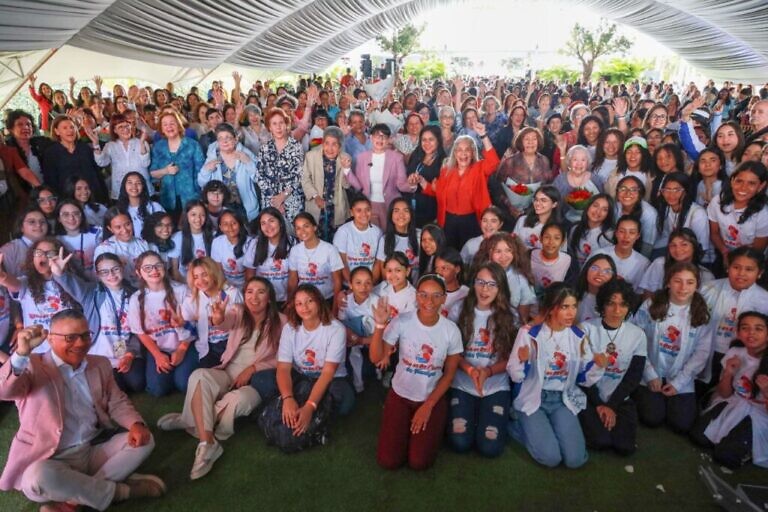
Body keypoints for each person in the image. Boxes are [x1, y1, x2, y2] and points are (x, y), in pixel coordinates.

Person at [0, 310, 165, 511]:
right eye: (70, 338)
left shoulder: (100, 363)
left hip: (92, 448)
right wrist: (21, 354)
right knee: (36, 478)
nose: (80, 343)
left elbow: (117, 401)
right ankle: (122, 492)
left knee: (146, 440)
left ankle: (73, 499)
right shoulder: (31, 365)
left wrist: (136, 424)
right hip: (49, 458)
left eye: (85, 335)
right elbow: (5, 390)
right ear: (50, 339)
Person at [158, 277, 284, 479]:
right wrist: (218, 318)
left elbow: (284, 359)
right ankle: (208, 443)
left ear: (269, 297)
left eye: (261, 291)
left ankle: (191, 420)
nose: (254, 296)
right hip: (228, 371)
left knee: (238, 401)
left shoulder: (281, 322)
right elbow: (225, 322)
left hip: (255, 381)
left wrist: (253, 368)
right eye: (250, 291)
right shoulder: (238, 310)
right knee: (199, 375)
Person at [507, 283, 607, 468]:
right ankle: (517, 425)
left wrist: (598, 366)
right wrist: (523, 360)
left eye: (574, 306)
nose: (571, 313)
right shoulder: (529, 333)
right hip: (534, 399)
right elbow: (515, 375)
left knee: (575, 460)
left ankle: (544, 430)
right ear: (552, 309)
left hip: (562, 399)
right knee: (551, 458)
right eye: (564, 307)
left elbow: (584, 379)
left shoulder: (578, 336)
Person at [371, 274, 463, 470]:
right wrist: (379, 325)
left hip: (431, 398)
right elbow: (376, 358)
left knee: (419, 462)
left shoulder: (451, 330)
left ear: (444, 298)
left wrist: (428, 405)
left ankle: (433, 427)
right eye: (423, 295)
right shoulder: (402, 321)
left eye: (436, 295)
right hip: (400, 394)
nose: (429, 302)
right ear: (416, 296)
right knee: (389, 460)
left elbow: (449, 375)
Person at [268, 284, 354, 448]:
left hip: (331, 379)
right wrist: (288, 398)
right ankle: (293, 407)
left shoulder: (336, 329)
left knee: (345, 403)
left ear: (320, 302)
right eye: (299, 303)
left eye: (309, 301)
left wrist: (309, 406)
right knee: (261, 380)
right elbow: (283, 368)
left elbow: (328, 373)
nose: (304, 307)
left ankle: (309, 411)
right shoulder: (290, 328)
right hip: (301, 375)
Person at [633, 262, 713, 434]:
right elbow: (635, 338)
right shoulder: (651, 303)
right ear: (668, 282)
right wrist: (649, 374)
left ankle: (673, 398)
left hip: (681, 376)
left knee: (681, 424)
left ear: (697, 285)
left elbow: (701, 353)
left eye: (690, 282)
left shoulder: (701, 311)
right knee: (652, 418)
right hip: (651, 372)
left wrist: (678, 383)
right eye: (678, 281)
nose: (683, 287)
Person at [448, 262, 515, 457]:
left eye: (492, 284)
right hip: (462, 383)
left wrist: (488, 371)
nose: (485, 289)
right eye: (480, 282)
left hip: (495, 386)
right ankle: (472, 412)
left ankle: (488, 415)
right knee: (459, 442)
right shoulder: (459, 309)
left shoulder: (510, 315)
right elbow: (451, 351)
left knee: (490, 447)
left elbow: (511, 358)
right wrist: (469, 369)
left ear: (500, 287)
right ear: (473, 283)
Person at [690, 311, 768, 469]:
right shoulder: (735, 352)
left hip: (760, 415)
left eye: (759, 329)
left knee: (725, 456)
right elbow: (725, 393)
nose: (751, 333)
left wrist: (766, 391)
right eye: (745, 328)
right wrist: (728, 373)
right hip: (733, 402)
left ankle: (747, 449)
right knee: (698, 437)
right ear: (738, 333)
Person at [579, 279, 647, 455]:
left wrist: (611, 405)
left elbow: (634, 376)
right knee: (600, 441)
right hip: (589, 396)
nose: (617, 311)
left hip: (619, 398)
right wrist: (599, 404)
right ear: (602, 304)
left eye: (623, 305)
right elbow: (580, 375)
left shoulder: (637, 335)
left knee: (625, 448)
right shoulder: (586, 329)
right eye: (611, 304)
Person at [128, 250, 198, 396]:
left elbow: (194, 324)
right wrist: (157, 355)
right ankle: (168, 373)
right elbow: (139, 332)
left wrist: (182, 349)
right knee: (157, 390)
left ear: (164, 267)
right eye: (147, 268)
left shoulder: (182, 290)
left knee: (184, 384)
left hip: (185, 344)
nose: (154, 270)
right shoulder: (136, 299)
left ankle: (180, 373)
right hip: (159, 347)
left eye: (157, 265)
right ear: (139, 272)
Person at [418, 124, 500, 249]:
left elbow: (493, 162)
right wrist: (422, 181)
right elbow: (438, 191)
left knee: (469, 255)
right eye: (459, 150)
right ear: (454, 153)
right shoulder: (446, 170)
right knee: (450, 255)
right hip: (448, 221)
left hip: (471, 220)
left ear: (473, 153)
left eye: (467, 150)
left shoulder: (479, 168)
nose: (463, 153)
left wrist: (483, 136)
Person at [345, 123, 411, 228]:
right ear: (370, 138)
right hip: (368, 205)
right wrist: (347, 169)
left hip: (391, 204)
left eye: (384, 137)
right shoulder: (362, 158)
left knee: (389, 236)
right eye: (377, 136)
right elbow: (358, 186)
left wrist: (412, 184)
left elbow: (401, 184)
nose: (380, 140)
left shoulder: (396, 158)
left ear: (389, 139)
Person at [197, 123, 259, 221]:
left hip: (245, 208)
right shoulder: (212, 156)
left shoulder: (245, 154)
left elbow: (259, 179)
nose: (224, 141)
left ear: (235, 139)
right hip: (221, 208)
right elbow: (201, 183)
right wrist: (206, 170)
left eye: (228, 137)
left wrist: (248, 162)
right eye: (220, 138)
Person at [300, 126, 352, 240]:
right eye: (327, 143)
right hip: (316, 203)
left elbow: (346, 185)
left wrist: (346, 169)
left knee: (337, 239)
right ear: (322, 142)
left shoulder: (345, 158)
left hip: (336, 206)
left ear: (340, 146)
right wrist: (315, 196)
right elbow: (305, 179)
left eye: (334, 144)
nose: (330, 148)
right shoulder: (311, 156)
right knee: (316, 238)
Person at [256, 108, 306, 227]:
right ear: (269, 127)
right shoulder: (264, 148)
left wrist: (283, 196)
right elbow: (259, 176)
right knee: (272, 232)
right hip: (270, 200)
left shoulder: (296, 147)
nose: (278, 127)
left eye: (281, 123)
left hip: (291, 198)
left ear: (286, 125)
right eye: (274, 124)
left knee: (293, 234)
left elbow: (298, 175)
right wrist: (275, 200)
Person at [42, 116, 109, 203]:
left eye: (72, 127)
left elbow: (98, 172)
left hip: (93, 197)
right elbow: (51, 181)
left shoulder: (84, 148)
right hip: (67, 200)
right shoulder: (51, 153)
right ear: (57, 131)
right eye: (65, 128)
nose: (70, 130)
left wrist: (95, 144)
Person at [150, 111, 205, 214]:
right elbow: (153, 174)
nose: (169, 127)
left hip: (191, 197)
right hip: (167, 199)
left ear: (179, 125)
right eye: (165, 124)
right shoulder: (158, 147)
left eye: (172, 123)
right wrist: (166, 170)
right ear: (161, 129)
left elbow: (201, 172)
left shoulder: (193, 145)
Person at [91, 113, 152, 200]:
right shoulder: (110, 146)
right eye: (121, 127)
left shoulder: (141, 142)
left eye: (127, 126)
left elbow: (146, 163)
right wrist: (96, 144)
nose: (125, 129)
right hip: (120, 192)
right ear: (115, 130)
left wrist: (142, 143)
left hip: (142, 190)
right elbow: (102, 162)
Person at [594, 215, 650, 292]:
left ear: (637, 236)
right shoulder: (599, 254)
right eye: (622, 231)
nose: (626, 236)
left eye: (632, 232)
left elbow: (638, 293)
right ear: (616, 233)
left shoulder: (643, 263)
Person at [116, 172, 165, 239]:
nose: (134, 186)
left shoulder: (155, 207)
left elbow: (165, 227)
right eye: (130, 183)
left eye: (138, 183)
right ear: (124, 186)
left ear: (143, 186)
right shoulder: (119, 210)